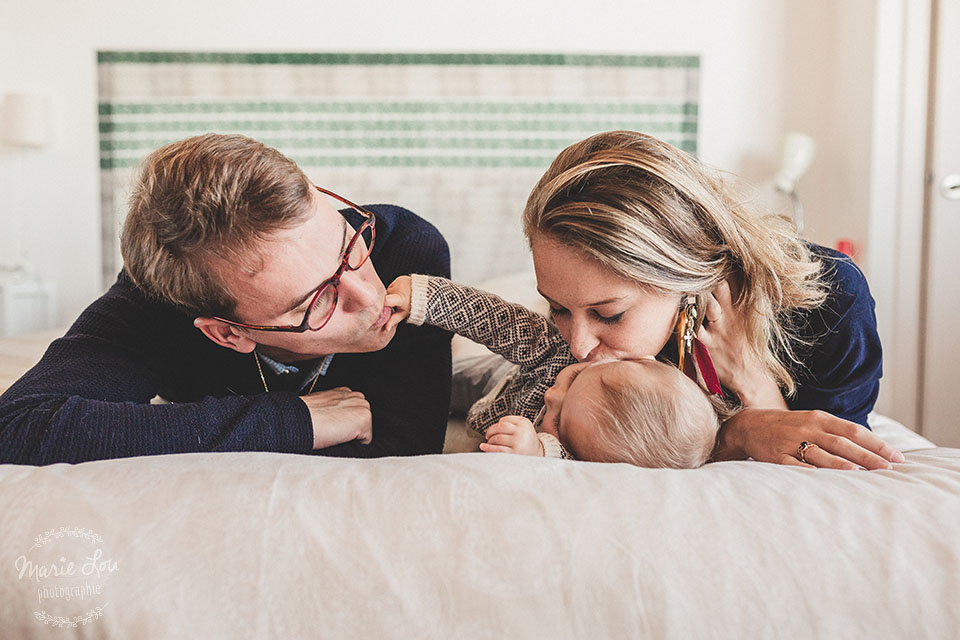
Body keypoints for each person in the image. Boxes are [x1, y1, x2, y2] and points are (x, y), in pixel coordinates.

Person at [0, 134, 452, 465]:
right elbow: (18, 427)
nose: (370, 296)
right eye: (315, 303)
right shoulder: (159, 301)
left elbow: (404, 450)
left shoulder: (406, 250)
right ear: (226, 333)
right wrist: (288, 421)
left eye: (348, 247)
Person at [521, 130, 905, 470]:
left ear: (685, 277)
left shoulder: (831, 296)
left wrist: (748, 379)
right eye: (557, 309)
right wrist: (736, 433)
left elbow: (835, 455)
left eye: (610, 314)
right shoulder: (581, 332)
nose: (578, 344)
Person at [385, 274, 720, 468]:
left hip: (493, 418)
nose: (551, 395)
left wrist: (536, 450)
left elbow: (561, 461)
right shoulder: (558, 352)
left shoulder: (592, 451)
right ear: (638, 361)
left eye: (558, 422)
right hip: (498, 376)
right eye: (575, 378)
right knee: (438, 380)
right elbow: (497, 321)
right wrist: (427, 299)